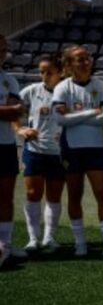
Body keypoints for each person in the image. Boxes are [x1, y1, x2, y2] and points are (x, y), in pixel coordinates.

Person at [54, 45, 103, 260]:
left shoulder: (100, 85)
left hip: (96, 149)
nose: (85, 62)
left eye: (87, 58)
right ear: (69, 65)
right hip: (71, 149)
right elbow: (59, 119)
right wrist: (93, 111)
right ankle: (80, 244)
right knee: (74, 196)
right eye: (79, 59)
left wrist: (75, 115)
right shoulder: (62, 88)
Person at [18, 54, 65, 253]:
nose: (44, 76)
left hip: (59, 153)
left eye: (49, 72)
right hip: (34, 151)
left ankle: (49, 238)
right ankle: (32, 238)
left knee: (54, 196)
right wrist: (20, 129)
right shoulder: (31, 91)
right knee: (32, 194)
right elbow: (12, 110)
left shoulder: (68, 92)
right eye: (41, 72)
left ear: (60, 72)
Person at [0, 34, 26, 259]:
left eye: (3, 49)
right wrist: (8, 110)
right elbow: (12, 109)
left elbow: (17, 111)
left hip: (6, 145)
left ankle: (5, 246)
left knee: (6, 197)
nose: (2, 53)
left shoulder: (10, 80)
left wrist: (10, 110)